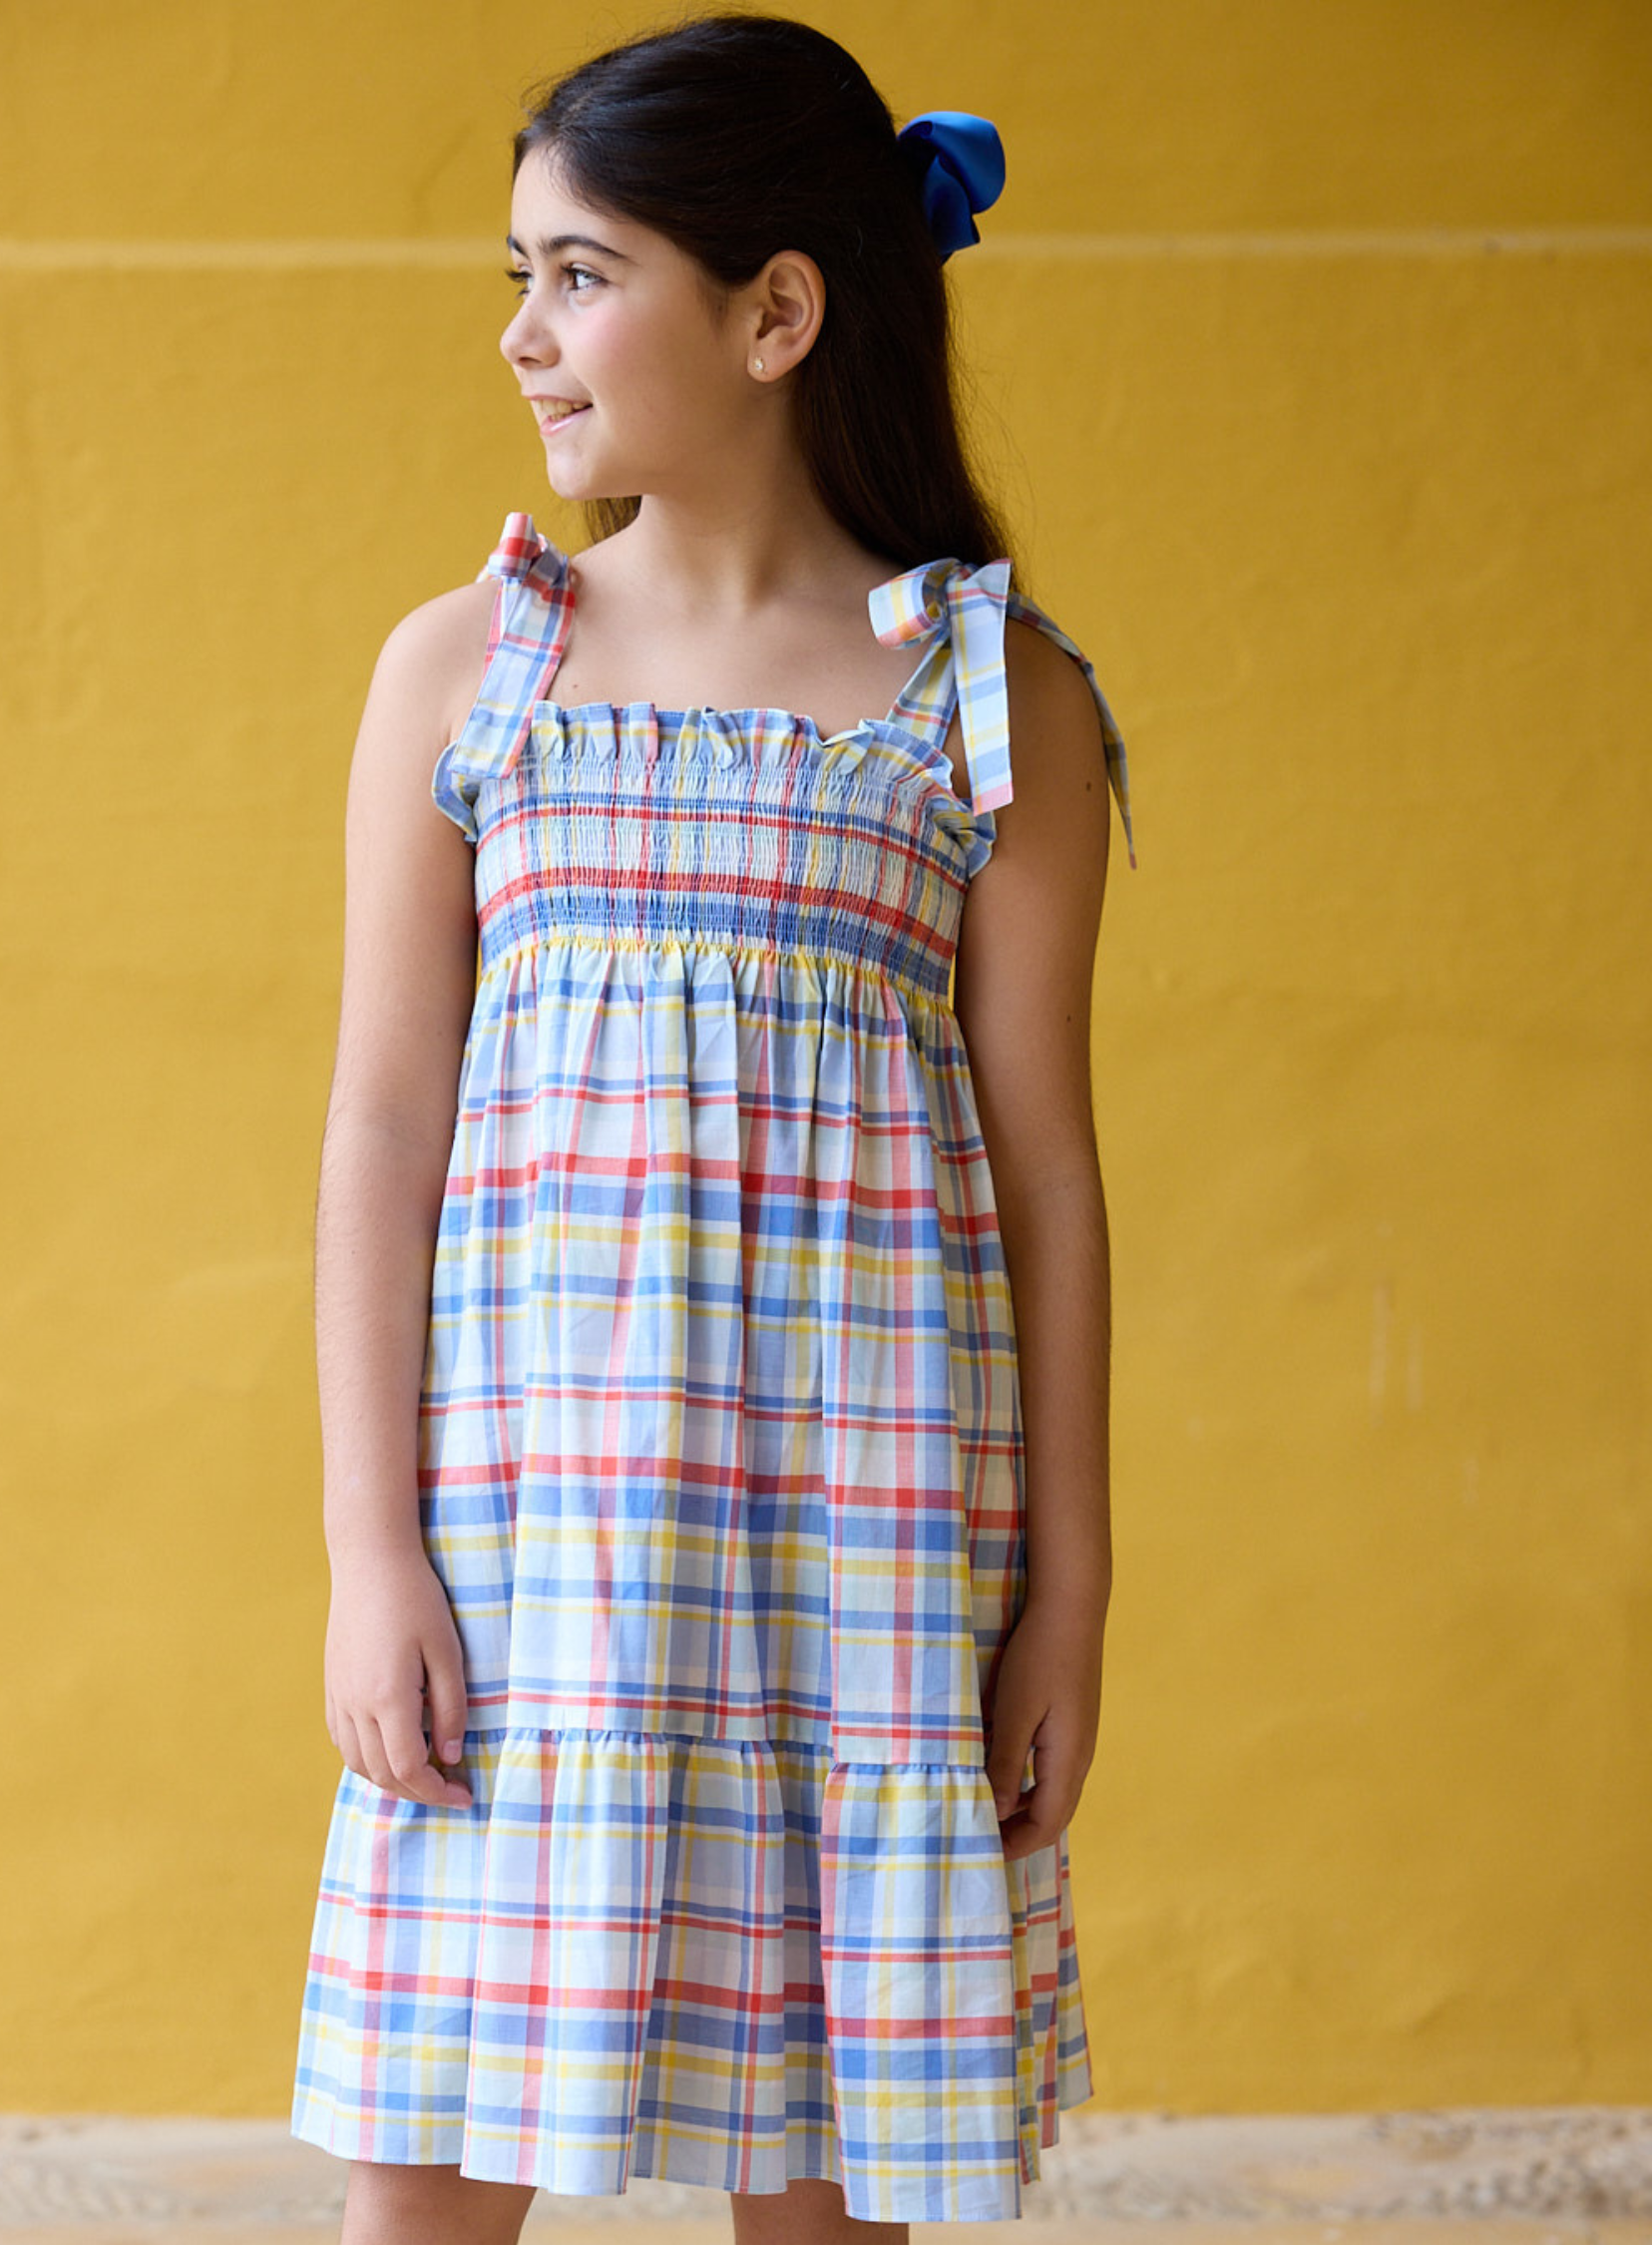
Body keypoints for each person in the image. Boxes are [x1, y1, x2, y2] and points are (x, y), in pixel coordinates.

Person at [288, 13, 1136, 2240]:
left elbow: (1046, 1170)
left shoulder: (993, 698)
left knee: (830, 2194)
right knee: (430, 2196)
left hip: (867, 1581)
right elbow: (385, 1123)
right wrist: (373, 1557)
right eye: (519, 271)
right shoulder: (472, 672)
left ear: (775, 311)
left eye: (579, 275)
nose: (522, 336)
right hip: (530, 1567)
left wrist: (1069, 1593)